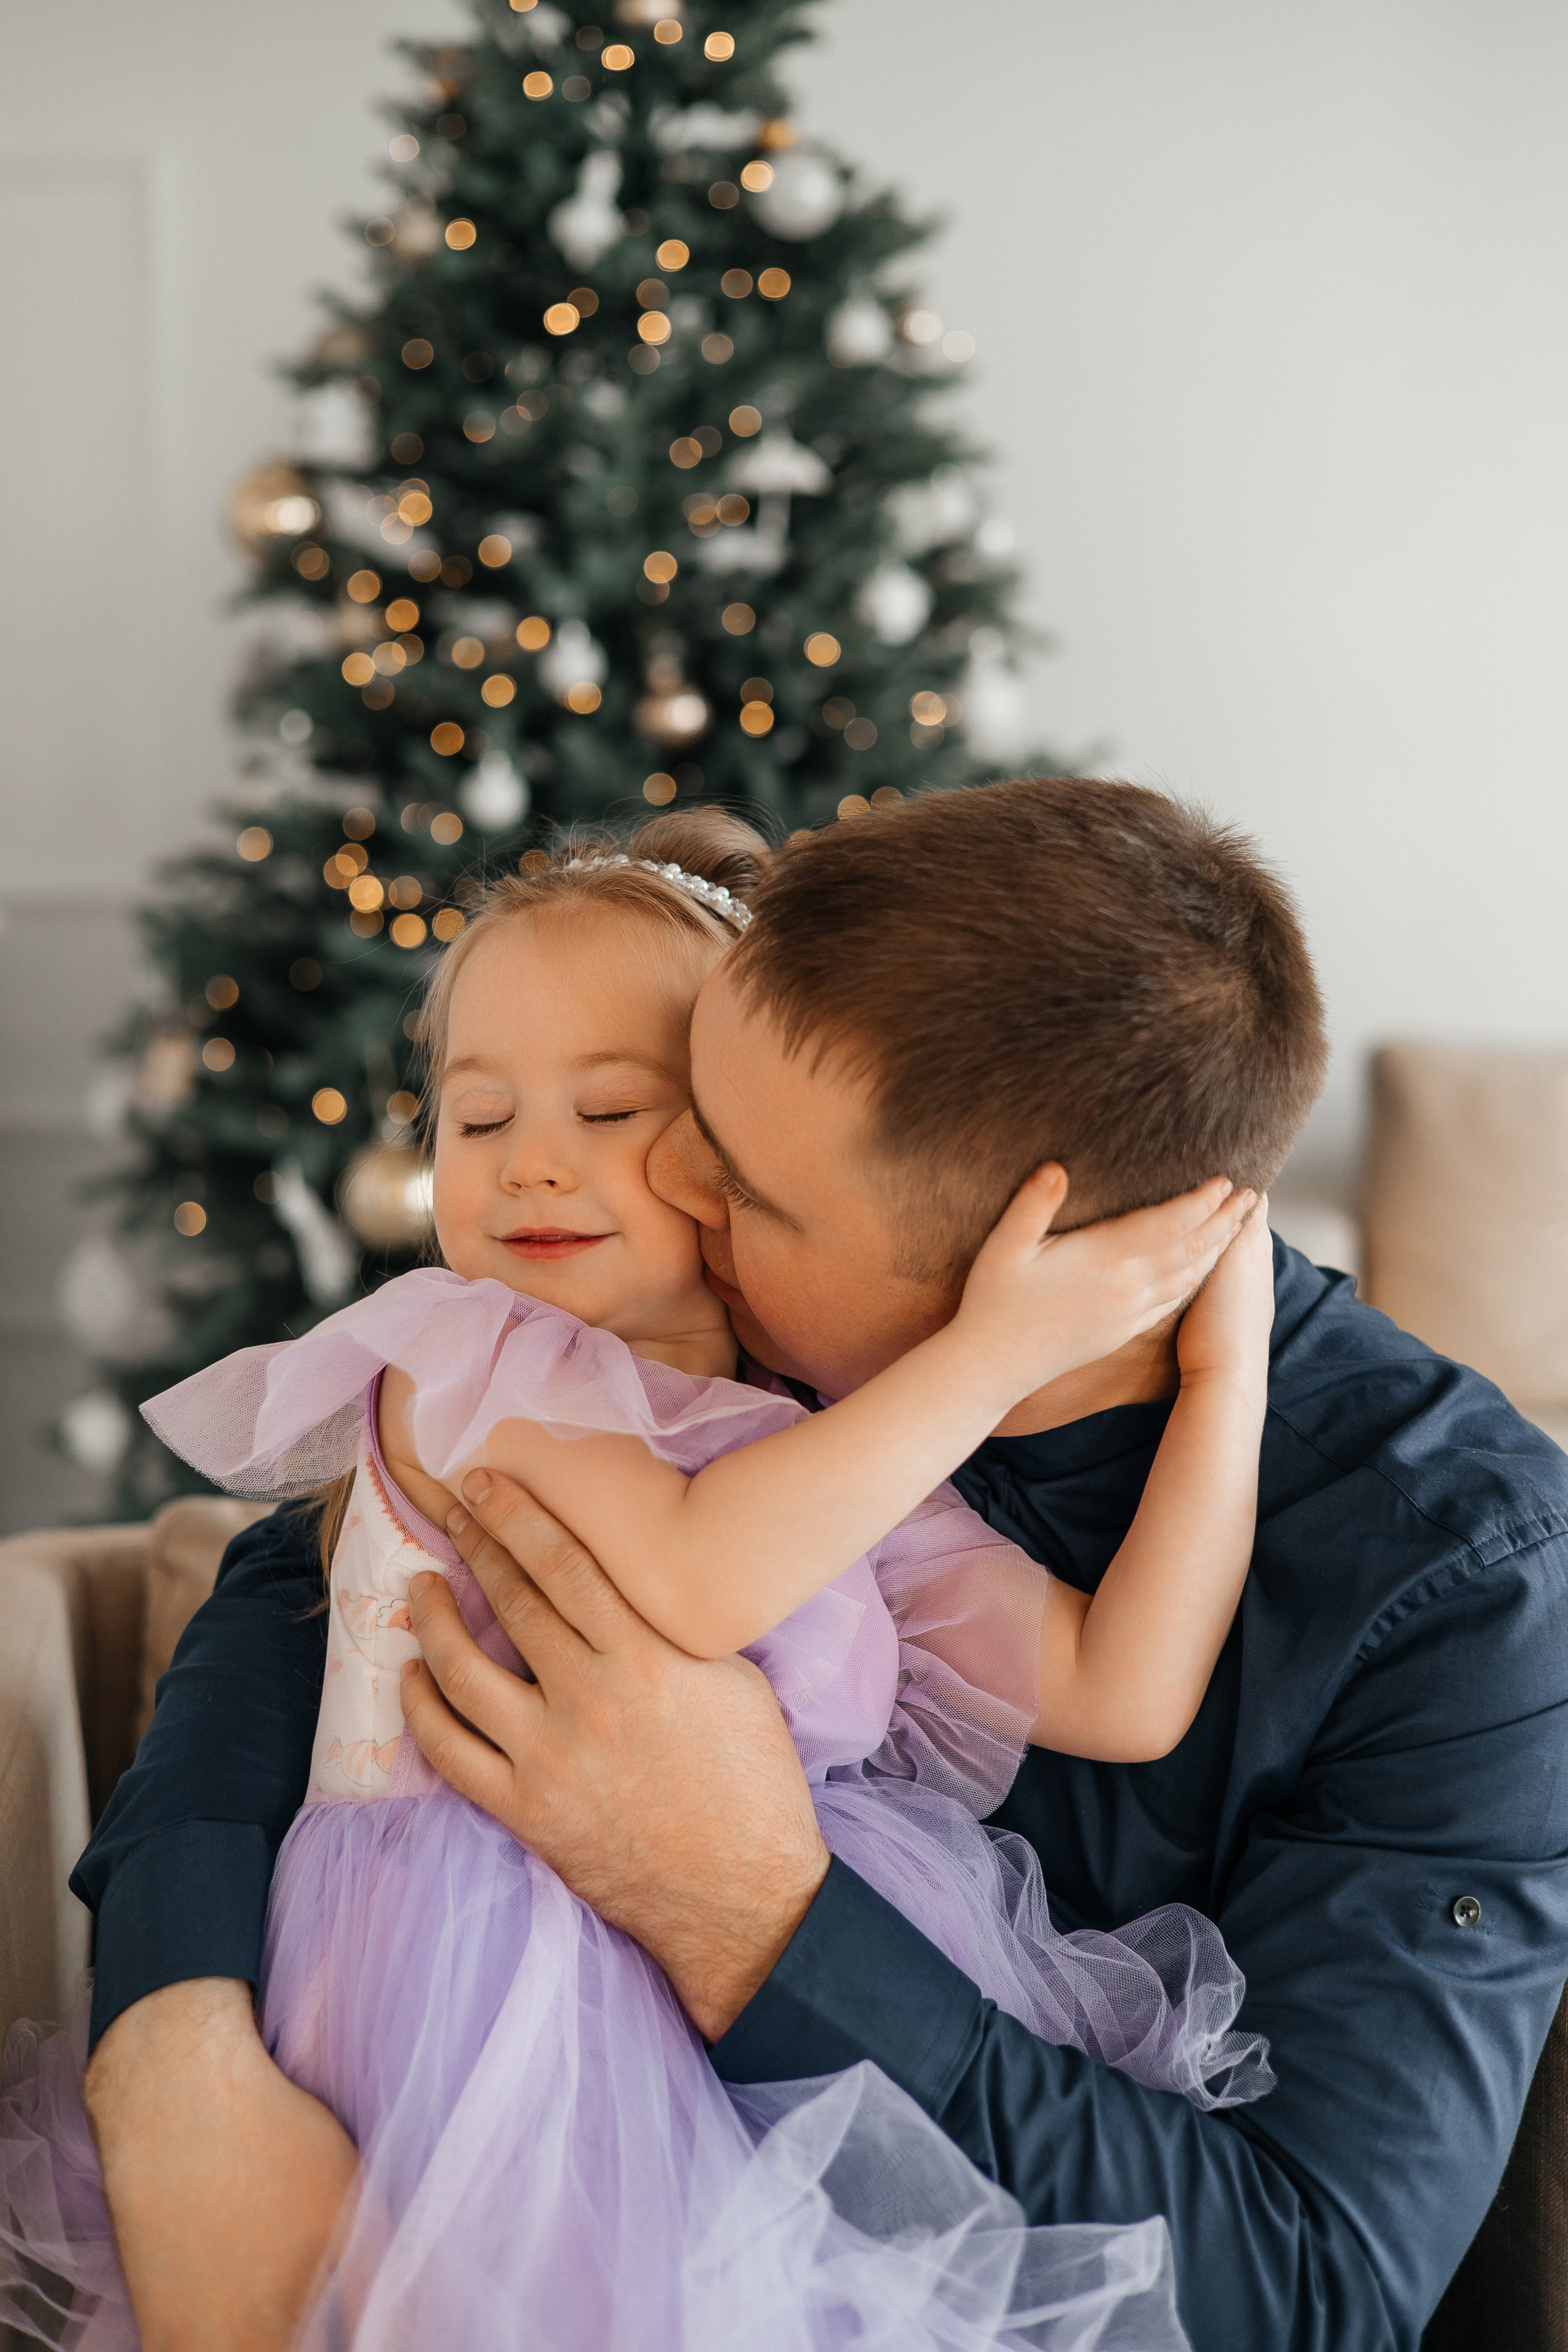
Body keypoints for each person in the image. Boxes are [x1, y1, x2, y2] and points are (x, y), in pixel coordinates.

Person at [69, 780, 1568, 2351]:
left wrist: (748, 1915)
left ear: (1018, 1275)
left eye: (736, 1183)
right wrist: (174, 2039)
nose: (669, 1193)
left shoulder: (1469, 1586)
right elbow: (322, 1571)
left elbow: (1310, 2289)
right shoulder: (740, 1310)